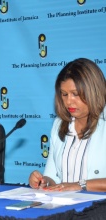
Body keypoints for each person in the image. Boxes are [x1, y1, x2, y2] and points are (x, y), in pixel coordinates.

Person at [29, 58, 106, 192]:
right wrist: (44, 182)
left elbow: (75, 186)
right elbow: (52, 176)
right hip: (65, 206)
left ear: (93, 91)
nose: (69, 101)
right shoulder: (60, 124)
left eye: (75, 94)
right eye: (64, 94)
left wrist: (80, 185)